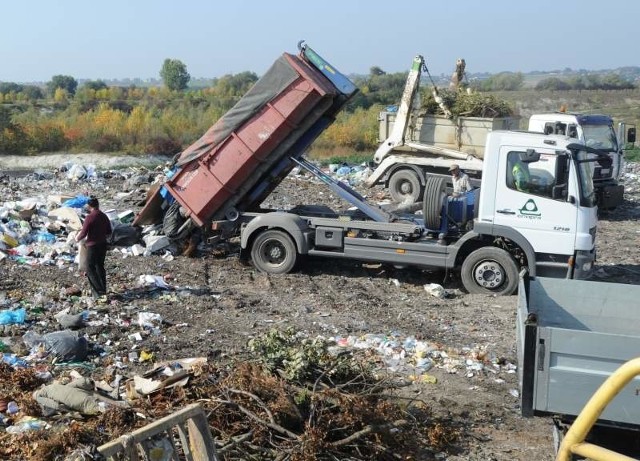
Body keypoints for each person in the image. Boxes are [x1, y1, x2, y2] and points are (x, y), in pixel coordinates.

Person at [75, 197, 112, 301]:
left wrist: (77, 238)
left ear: (89, 206)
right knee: (100, 266)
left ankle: (98, 292)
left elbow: (84, 233)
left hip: (92, 245)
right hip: (103, 245)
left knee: (90, 268)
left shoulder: (89, 217)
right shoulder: (104, 216)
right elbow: (109, 231)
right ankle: (103, 289)